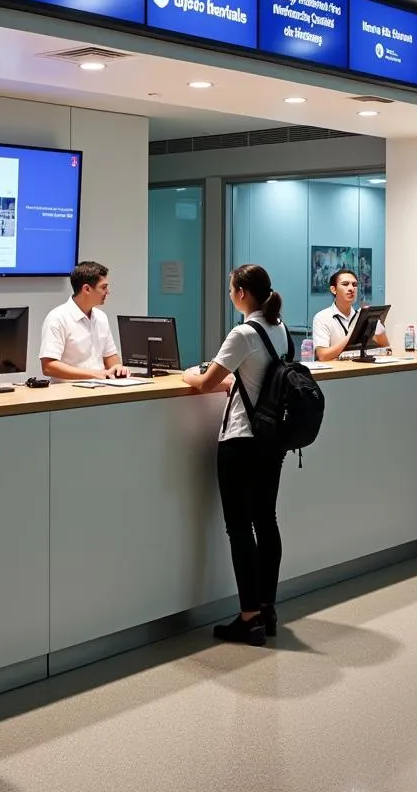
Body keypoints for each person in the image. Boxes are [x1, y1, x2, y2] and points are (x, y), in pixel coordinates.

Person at [183, 264, 289, 646]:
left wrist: (187, 376)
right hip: (272, 440)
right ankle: (267, 606)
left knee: (240, 528)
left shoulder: (243, 332)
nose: (230, 294)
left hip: (241, 440)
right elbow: (258, 377)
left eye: (231, 289)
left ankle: (248, 618)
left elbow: (205, 382)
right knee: (266, 520)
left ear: (242, 292)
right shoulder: (279, 329)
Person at [39, 260, 130, 380]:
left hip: (103, 387)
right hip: (69, 391)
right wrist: (96, 374)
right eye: (103, 287)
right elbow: (48, 366)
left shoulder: (101, 317)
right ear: (86, 289)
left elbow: (110, 357)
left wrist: (118, 367)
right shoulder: (57, 318)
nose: (108, 292)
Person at [311, 268, 389, 362]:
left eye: (354, 285)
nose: (351, 288)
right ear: (333, 289)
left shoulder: (361, 316)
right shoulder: (322, 317)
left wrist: (379, 330)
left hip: (360, 371)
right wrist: (352, 334)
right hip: (336, 374)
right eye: (345, 284)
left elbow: (386, 349)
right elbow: (322, 356)